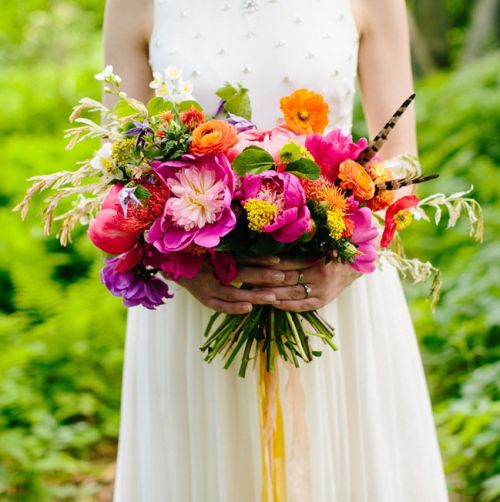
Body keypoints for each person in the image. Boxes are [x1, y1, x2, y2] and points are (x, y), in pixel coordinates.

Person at [104, 0, 449, 500]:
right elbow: (117, 167)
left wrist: (347, 256)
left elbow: (400, 159)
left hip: (336, 295)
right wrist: (181, 264)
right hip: (195, 306)